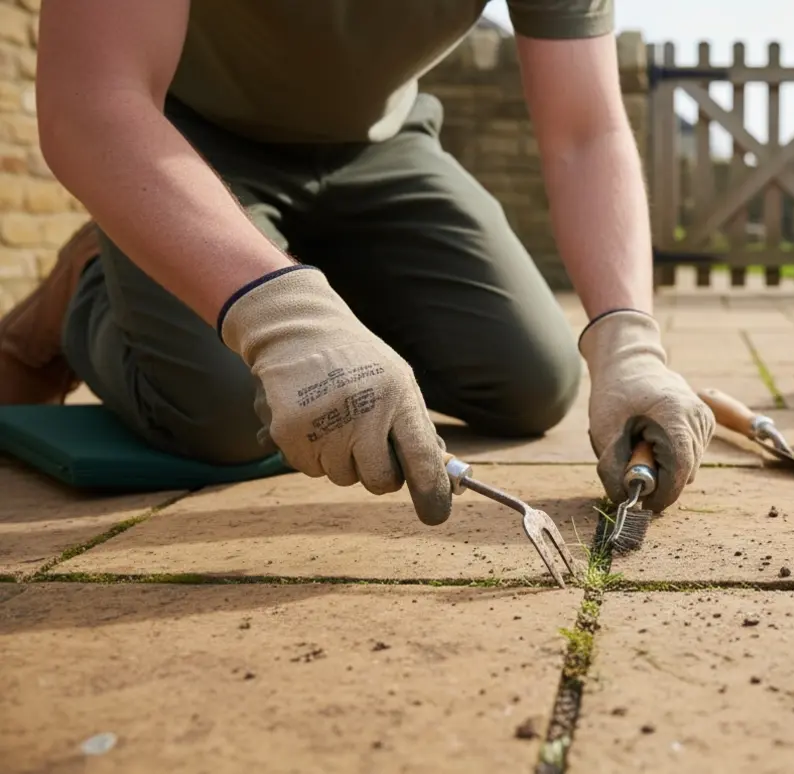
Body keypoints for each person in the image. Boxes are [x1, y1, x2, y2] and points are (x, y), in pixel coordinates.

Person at [0, 0, 715, 525]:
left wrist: (629, 342)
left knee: (532, 381)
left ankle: (285, 266)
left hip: (381, 147)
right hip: (184, 143)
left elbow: (585, 133)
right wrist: (286, 321)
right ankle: (94, 278)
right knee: (225, 415)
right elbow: (92, 102)